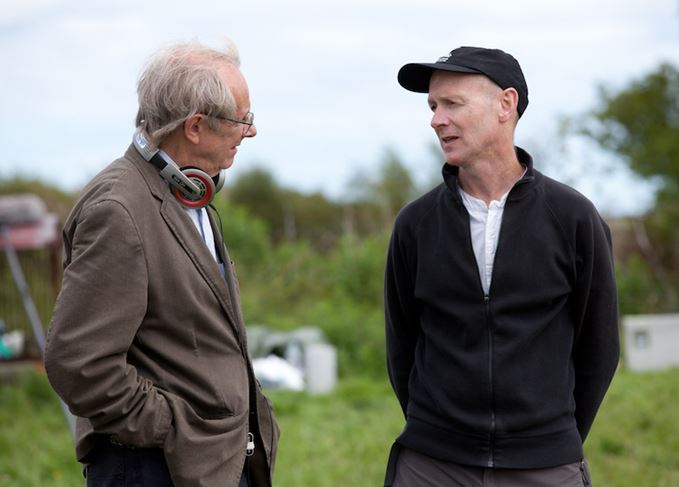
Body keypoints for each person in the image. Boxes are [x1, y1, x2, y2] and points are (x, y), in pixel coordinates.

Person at [44, 40, 279, 487]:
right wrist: (171, 427)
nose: (250, 132)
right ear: (194, 127)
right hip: (156, 469)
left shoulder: (191, 192)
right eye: (241, 119)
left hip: (209, 464)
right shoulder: (118, 209)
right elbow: (79, 363)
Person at [383, 46, 619, 486]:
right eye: (433, 106)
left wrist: (549, 440)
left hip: (545, 464)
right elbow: (402, 347)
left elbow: (599, 349)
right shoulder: (414, 224)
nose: (436, 119)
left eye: (453, 104)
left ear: (505, 105)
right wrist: (438, 429)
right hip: (431, 465)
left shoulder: (573, 218)